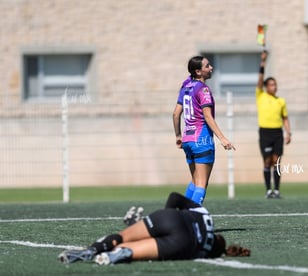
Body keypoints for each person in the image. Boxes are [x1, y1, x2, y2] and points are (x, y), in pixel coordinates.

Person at [58, 192, 250, 265]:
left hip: (170, 218)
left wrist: (161, 223)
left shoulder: (206, 217)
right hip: (182, 243)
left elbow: (175, 197)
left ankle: (94, 249)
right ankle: (114, 256)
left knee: (123, 235)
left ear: (216, 236)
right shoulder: (204, 252)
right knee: (133, 250)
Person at [172, 56, 235, 205]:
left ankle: (182, 215)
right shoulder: (203, 89)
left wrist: (178, 136)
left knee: (195, 181)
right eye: (207, 66)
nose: (211, 67)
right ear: (198, 71)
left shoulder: (186, 87)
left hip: (187, 139)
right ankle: (192, 220)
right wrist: (223, 138)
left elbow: (175, 114)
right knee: (201, 183)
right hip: (202, 139)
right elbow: (207, 116)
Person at [256, 50, 292, 199]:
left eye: (275, 85)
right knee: (267, 161)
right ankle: (267, 190)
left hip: (277, 133)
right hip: (265, 132)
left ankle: (276, 190)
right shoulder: (260, 95)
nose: (274, 87)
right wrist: (263, 62)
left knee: (276, 161)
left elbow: (285, 118)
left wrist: (288, 132)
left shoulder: (281, 101)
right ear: (266, 86)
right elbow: (259, 80)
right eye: (271, 85)